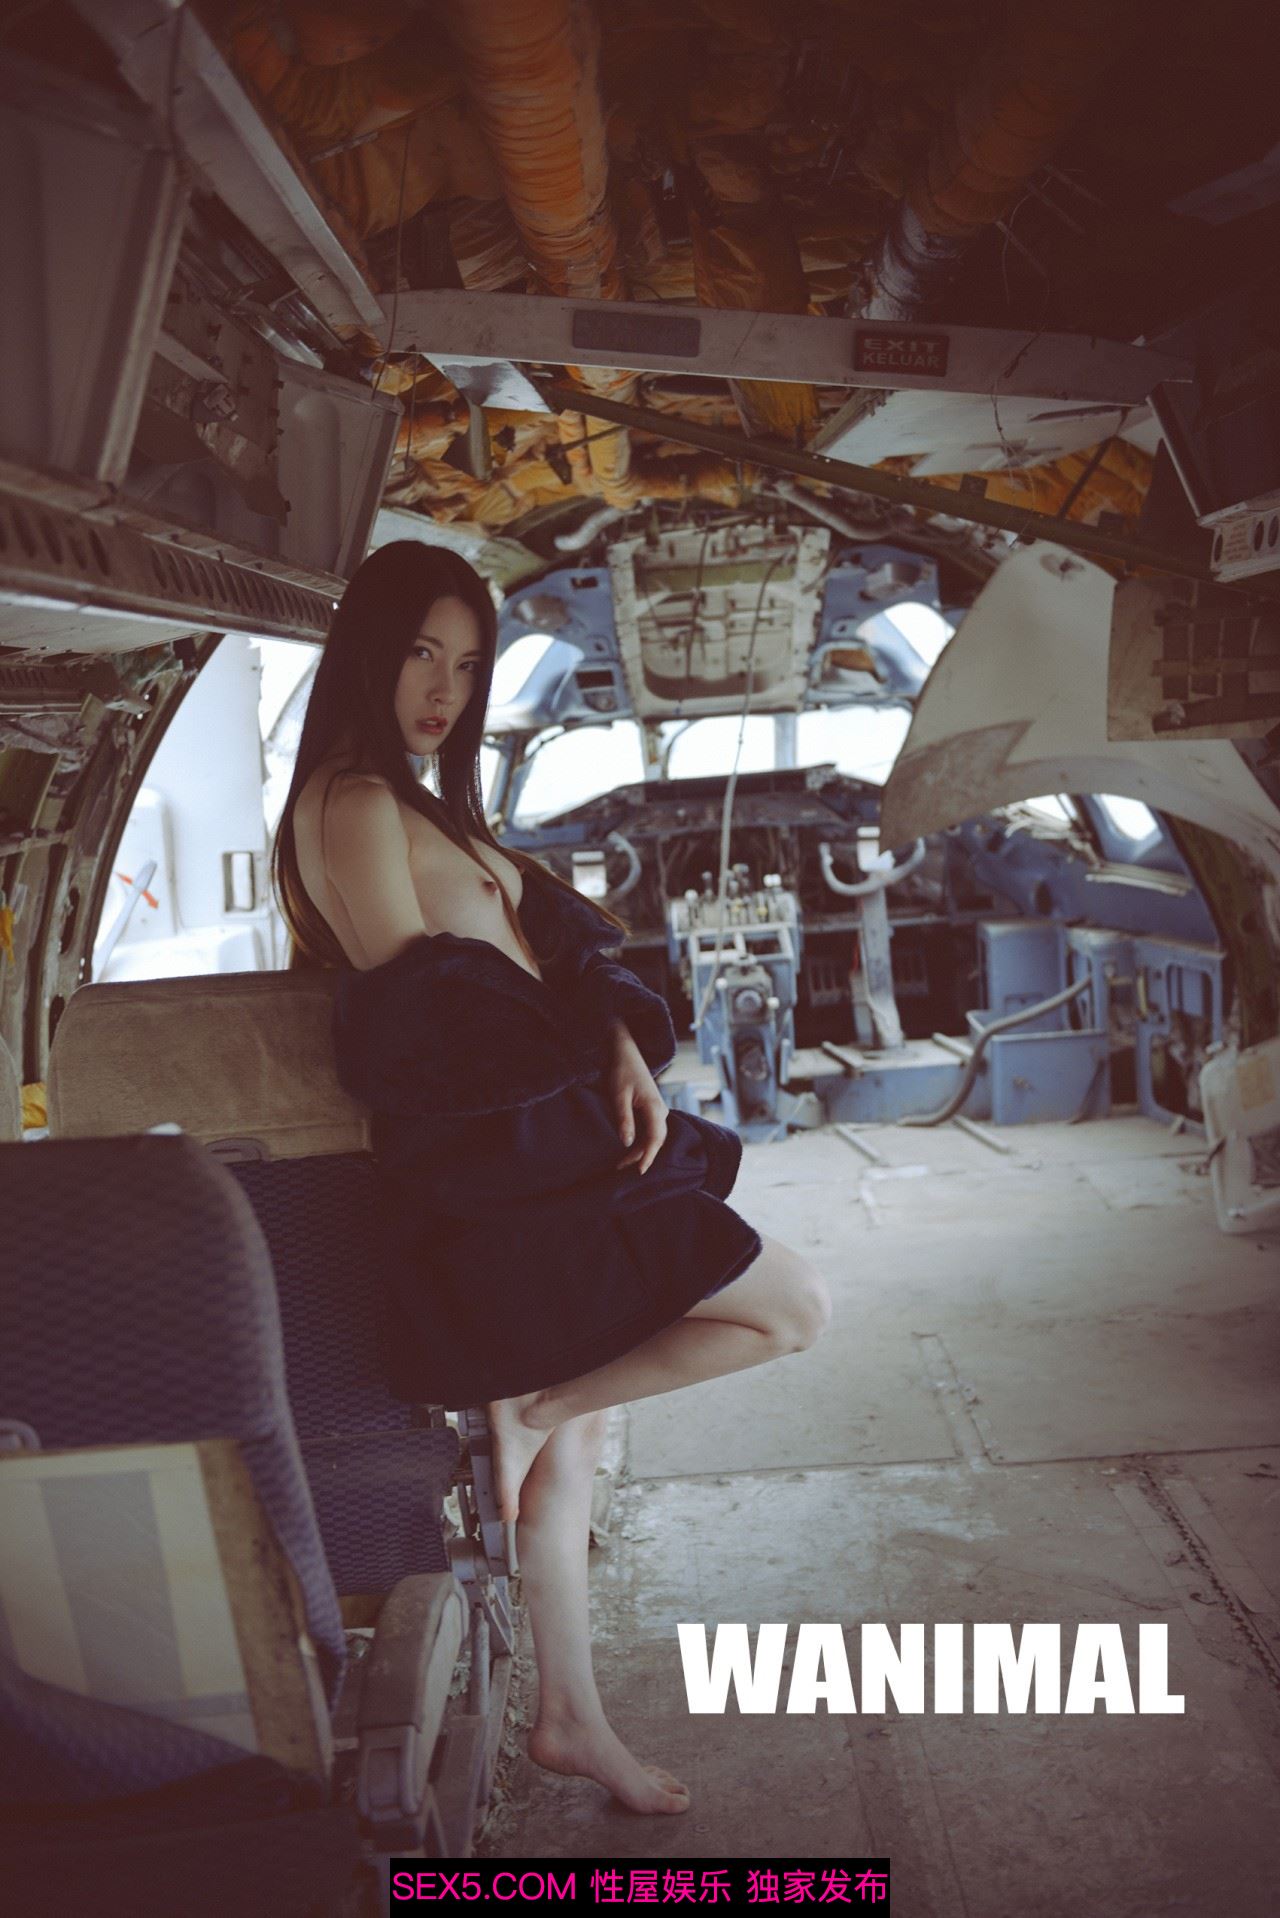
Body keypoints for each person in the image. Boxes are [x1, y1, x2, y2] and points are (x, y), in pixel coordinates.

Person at [272, 540, 831, 1816]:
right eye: (420, 652)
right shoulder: (353, 805)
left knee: (568, 1458)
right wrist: (583, 1053)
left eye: (468, 664)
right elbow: (424, 1020)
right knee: (790, 1307)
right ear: (366, 652)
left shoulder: (419, 802)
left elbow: (549, 956)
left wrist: (617, 1036)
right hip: (510, 1181)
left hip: (551, 1147)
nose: (445, 688)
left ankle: (570, 1718)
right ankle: (538, 1403)